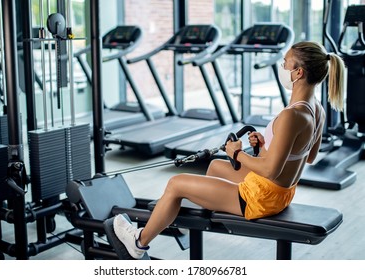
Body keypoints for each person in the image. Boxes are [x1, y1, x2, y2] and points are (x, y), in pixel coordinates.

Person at [113, 41, 345, 259]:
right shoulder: (316, 110)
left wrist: (237, 153)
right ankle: (184, 217)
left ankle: (138, 242)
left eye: (286, 62)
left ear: (298, 72)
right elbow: (308, 156)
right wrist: (265, 145)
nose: (282, 66)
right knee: (215, 165)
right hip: (281, 193)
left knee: (176, 184)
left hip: (261, 197)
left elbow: (271, 170)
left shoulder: (291, 115)